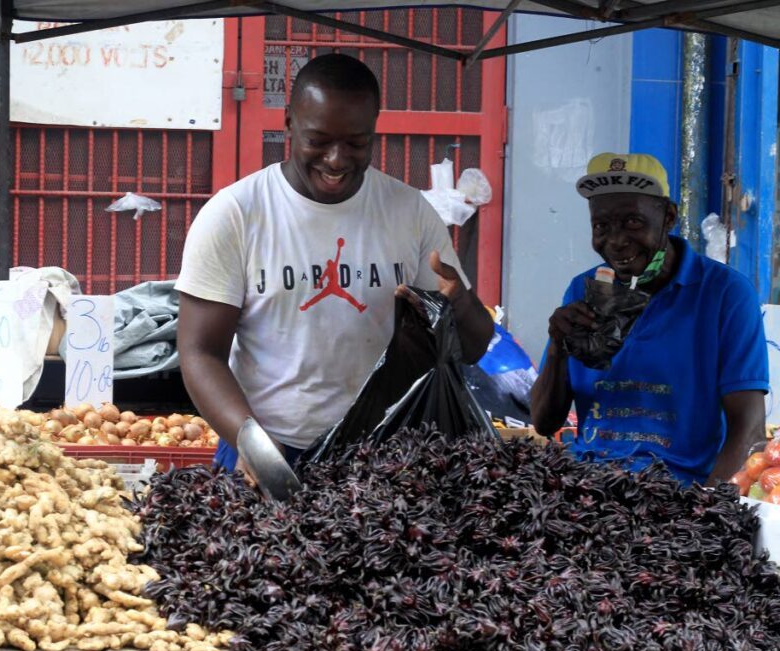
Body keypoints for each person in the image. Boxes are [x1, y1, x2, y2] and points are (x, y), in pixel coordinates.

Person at [175, 53, 494, 470]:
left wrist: (460, 305)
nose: (337, 159)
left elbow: (472, 348)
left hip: (379, 454)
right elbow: (200, 352)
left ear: (374, 132)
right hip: (266, 448)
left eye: (357, 143)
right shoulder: (236, 214)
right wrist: (250, 440)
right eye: (318, 140)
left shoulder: (409, 212)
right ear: (289, 122)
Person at [530, 152, 768, 486]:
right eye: (601, 226)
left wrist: (705, 513)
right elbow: (543, 422)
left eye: (633, 223)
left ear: (668, 217)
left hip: (679, 494)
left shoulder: (724, 294)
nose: (615, 240)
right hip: (588, 490)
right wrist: (558, 347)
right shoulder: (582, 291)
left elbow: (749, 431)